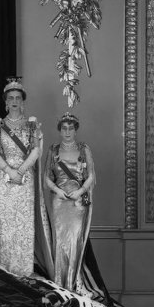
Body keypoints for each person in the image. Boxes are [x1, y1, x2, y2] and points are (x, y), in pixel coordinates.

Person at [0, 77, 54, 278]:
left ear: (23, 101)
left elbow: (35, 151)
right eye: (11, 98)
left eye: (18, 97)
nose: (15, 101)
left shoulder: (31, 125)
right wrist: (9, 171)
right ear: (6, 102)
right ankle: (6, 270)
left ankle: (25, 270)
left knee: (24, 223)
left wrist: (20, 171)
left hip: (25, 177)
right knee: (6, 223)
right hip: (5, 177)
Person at [44, 112, 96, 291]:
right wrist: (58, 191)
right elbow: (46, 178)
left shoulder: (84, 149)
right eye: (64, 128)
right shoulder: (53, 150)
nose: (67, 132)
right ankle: (59, 283)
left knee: (74, 240)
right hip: (59, 201)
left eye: (71, 128)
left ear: (75, 130)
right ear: (59, 130)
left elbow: (91, 176)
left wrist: (80, 192)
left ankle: (73, 283)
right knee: (60, 240)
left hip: (77, 202)